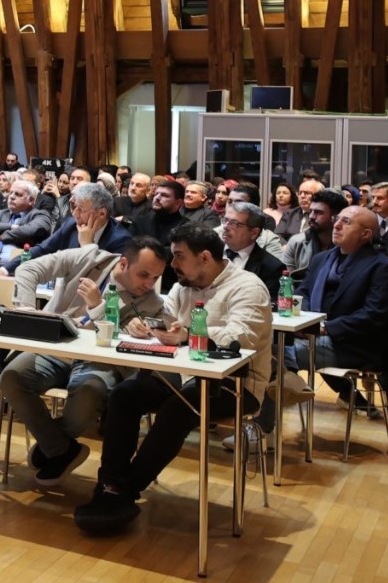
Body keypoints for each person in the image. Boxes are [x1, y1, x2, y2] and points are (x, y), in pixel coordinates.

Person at [75, 224, 273, 536]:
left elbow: (242, 337)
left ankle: (122, 490)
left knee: (178, 408)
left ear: (204, 257)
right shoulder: (182, 288)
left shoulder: (248, 287)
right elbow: (166, 323)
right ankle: (111, 484)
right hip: (181, 375)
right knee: (125, 394)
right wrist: (145, 327)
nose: (173, 263)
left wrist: (189, 333)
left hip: (236, 384)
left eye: (179, 256)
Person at [0, 233, 170, 486]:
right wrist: (27, 309)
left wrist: (99, 308)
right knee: (11, 377)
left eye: (156, 278)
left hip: (98, 362)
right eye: (144, 275)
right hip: (54, 347)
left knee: (90, 392)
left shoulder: (152, 303)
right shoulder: (89, 258)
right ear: (123, 263)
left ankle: (53, 446)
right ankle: (61, 449)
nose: (149, 284)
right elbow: (28, 268)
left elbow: (123, 341)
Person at [292, 206, 388, 412]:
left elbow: (373, 315)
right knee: (267, 342)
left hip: (353, 345)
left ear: (366, 234)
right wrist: (305, 322)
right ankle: (284, 396)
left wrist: (325, 328)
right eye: (337, 219)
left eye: (347, 222)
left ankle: (271, 410)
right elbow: (303, 293)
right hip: (313, 332)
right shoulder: (321, 259)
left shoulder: (382, 267)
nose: (336, 225)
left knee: (279, 352)